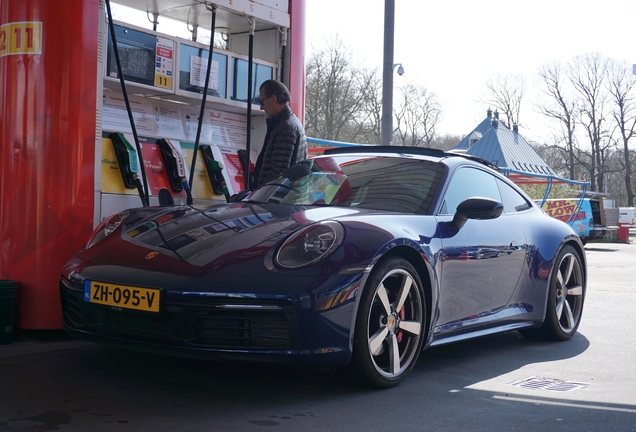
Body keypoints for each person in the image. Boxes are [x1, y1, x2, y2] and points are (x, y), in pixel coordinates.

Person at [252, 79, 308, 188]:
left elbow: (277, 174)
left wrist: (259, 195)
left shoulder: (285, 128)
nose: (261, 107)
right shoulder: (289, 123)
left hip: (275, 201)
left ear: (273, 99)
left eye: (261, 102)